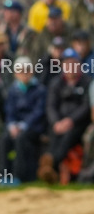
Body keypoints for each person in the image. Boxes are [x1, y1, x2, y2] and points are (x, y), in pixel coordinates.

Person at [40, 48, 91, 185]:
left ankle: (51, 164)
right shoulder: (56, 83)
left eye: (73, 63)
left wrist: (70, 120)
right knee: (54, 133)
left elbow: (86, 107)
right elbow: (50, 106)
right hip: (58, 123)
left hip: (78, 123)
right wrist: (56, 122)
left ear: (79, 64)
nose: (70, 67)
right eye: (67, 63)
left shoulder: (87, 82)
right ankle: (52, 167)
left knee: (68, 135)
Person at [0, 57, 47, 183]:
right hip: (16, 127)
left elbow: (39, 112)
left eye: (27, 70)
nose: (24, 73)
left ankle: (18, 176)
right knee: (4, 139)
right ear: (16, 74)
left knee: (21, 139)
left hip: (33, 127)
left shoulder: (40, 89)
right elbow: (10, 111)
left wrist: (22, 126)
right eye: (21, 71)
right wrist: (12, 125)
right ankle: (4, 176)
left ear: (32, 71)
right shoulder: (13, 90)